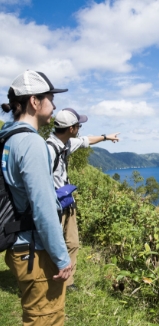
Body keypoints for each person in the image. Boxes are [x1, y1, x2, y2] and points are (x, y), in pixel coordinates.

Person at [0, 70, 72, 326]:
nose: (54, 105)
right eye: (50, 98)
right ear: (34, 101)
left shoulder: (8, 138)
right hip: (35, 252)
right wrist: (62, 258)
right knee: (46, 320)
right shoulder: (31, 143)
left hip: (18, 245)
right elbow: (43, 209)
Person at [46, 108, 119, 289]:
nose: (80, 128)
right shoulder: (48, 150)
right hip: (52, 205)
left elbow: (87, 140)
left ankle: (68, 281)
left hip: (66, 201)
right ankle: (48, 278)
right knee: (51, 243)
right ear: (71, 128)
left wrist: (106, 137)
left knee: (72, 242)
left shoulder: (67, 144)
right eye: (79, 125)